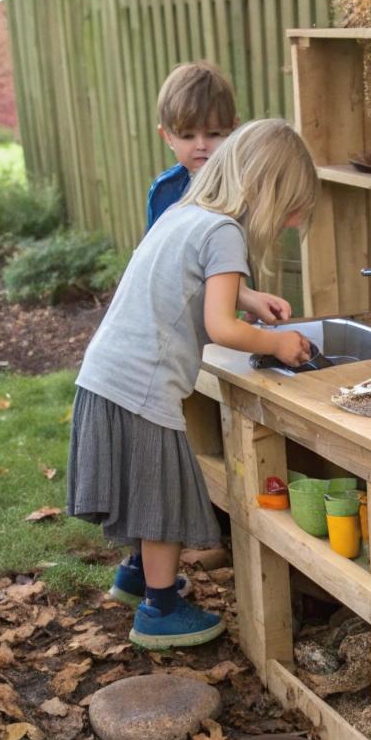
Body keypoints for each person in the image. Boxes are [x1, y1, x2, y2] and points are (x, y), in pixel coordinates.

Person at [68, 120, 317, 649]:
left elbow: (195, 281)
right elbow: (221, 327)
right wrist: (276, 344)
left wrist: (250, 299)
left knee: (139, 485)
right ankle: (159, 610)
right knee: (161, 498)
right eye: (293, 208)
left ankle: (135, 574)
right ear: (268, 195)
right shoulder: (226, 233)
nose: (293, 223)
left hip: (106, 374)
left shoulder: (185, 214)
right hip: (143, 386)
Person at [146, 61, 238, 229]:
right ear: (167, 137)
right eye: (188, 136)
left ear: (234, 129)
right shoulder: (165, 190)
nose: (201, 145)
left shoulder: (241, 187)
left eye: (214, 134)